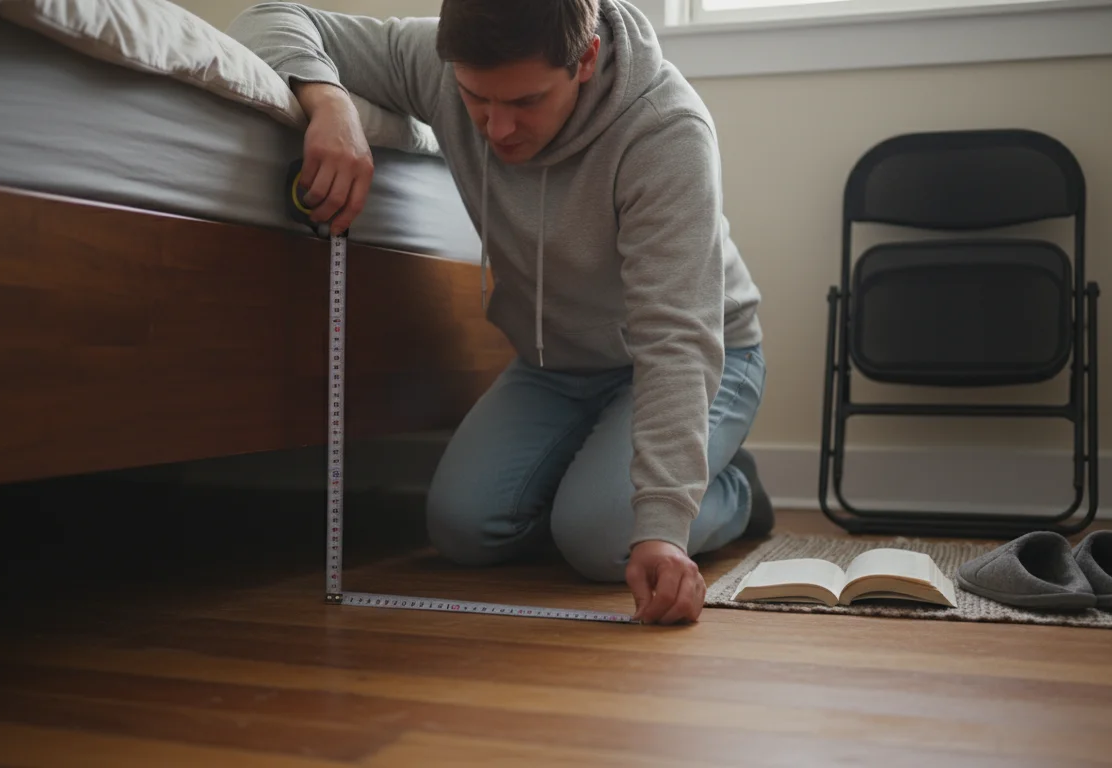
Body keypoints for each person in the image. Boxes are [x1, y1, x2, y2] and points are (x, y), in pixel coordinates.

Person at [229, 0, 771, 625]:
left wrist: (662, 528)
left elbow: (676, 340)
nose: (498, 128)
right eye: (476, 99)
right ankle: (611, 480)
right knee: (463, 529)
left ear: (586, 59)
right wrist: (331, 104)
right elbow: (269, 17)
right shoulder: (442, 61)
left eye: (526, 102)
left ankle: (731, 491)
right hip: (559, 364)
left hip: (703, 356)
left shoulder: (665, 131)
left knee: (600, 541)